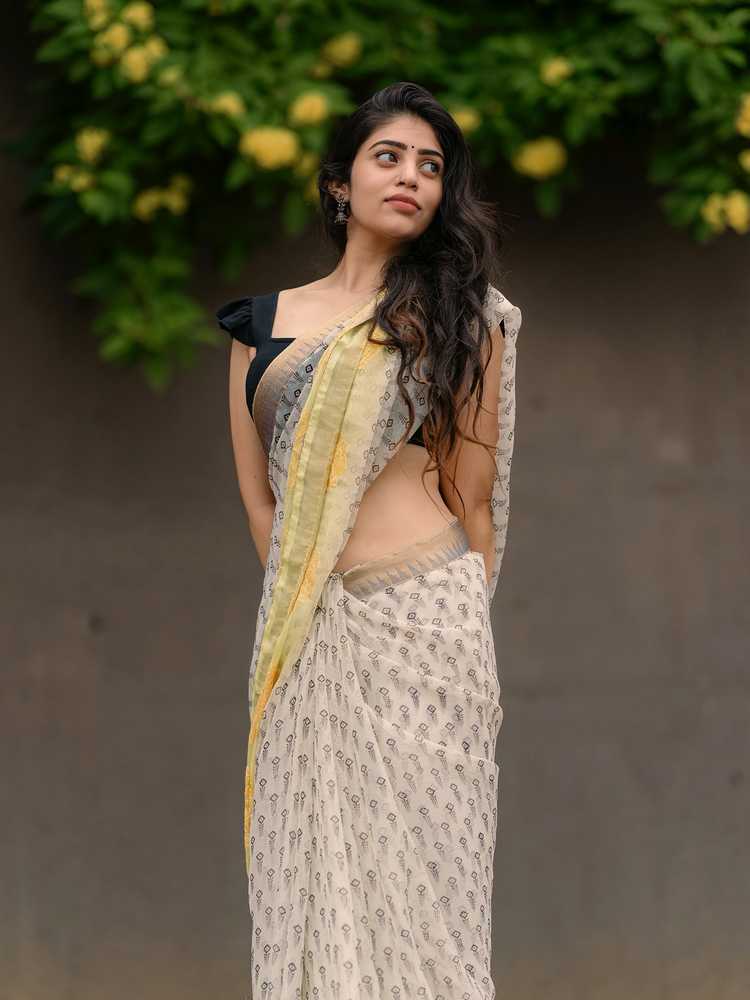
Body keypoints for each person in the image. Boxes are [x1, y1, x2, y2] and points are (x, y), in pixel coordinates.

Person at [216, 81, 522, 1000]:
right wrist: (312, 612)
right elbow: (263, 502)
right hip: (312, 631)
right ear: (339, 184)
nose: (411, 177)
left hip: (427, 624)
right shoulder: (260, 328)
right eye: (389, 156)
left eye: (431, 166)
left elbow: (473, 494)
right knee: (317, 886)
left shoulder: (461, 316)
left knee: (433, 893)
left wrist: (462, 621)